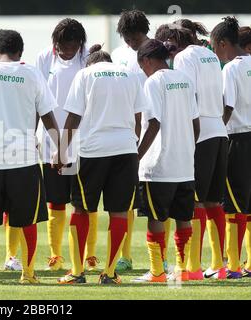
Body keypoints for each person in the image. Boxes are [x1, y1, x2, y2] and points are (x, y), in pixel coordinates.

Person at [0, 29, 61, 284]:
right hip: (25, 159)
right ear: (20, 52)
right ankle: (28, 274)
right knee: (27, 220)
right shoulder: (32, 73)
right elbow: (48, 116)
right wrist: (61, 149)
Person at [57, 43, 145, 285]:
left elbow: (73, 116)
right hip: (125, 149)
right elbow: (139, 119)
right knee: (118, 212)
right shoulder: (129, 74)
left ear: (91, 63)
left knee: (82, 209)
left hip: (93, 150)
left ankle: (77, 272)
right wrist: (133, 147)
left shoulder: (85, 74)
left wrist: (61, 151)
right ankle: (109, 272)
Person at [157, 24, 229, 280]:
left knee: (195, 201)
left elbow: (188, 95)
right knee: (214, 202)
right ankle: (219, 266)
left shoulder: (185, 57)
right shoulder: (208, 53)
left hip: (201, 134)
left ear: (172, 43)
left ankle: (193, 267)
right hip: (220, 130)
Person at [132, 39, 200, 283]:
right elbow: (196, 122)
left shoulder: (153, 82)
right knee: (183, 217)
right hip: (184, 164)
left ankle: (157, 272)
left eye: (142, 66)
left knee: (155, 218)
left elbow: (154, 123)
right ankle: (183, 269)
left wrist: (137, 157)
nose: (143, 71)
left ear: (148, 60)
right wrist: (189, 149)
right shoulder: (184, 79)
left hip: (158, 165)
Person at [36, 18, 91, 271]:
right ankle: (55, 255)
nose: (66, 51)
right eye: (62, 46)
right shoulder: (43, 59)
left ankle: (88, 254)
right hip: (51, 142)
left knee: (83, 202)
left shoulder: (89, 59)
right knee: (55, 201)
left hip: (84, 142)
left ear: (80, 44)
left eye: (71, 46)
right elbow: (37, 99)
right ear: (54, 43)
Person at [211, 16, 251, 279]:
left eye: (215, 49)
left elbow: (228, 106)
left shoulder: (231, 69)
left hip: (238, 138)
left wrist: (217, 132)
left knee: (233, 204)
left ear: (224, 43)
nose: (216, 54)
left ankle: (233, 266)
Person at [111, 9, 150, 273]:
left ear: (142, 32)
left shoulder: (157, 49)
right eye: (125, 37)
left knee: (155, 192)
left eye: (132, 37)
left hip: (153, 126)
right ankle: (125, 255)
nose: (129, 42)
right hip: (127, 131)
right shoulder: (118, 55)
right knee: (127, 196)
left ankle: (160, 258)